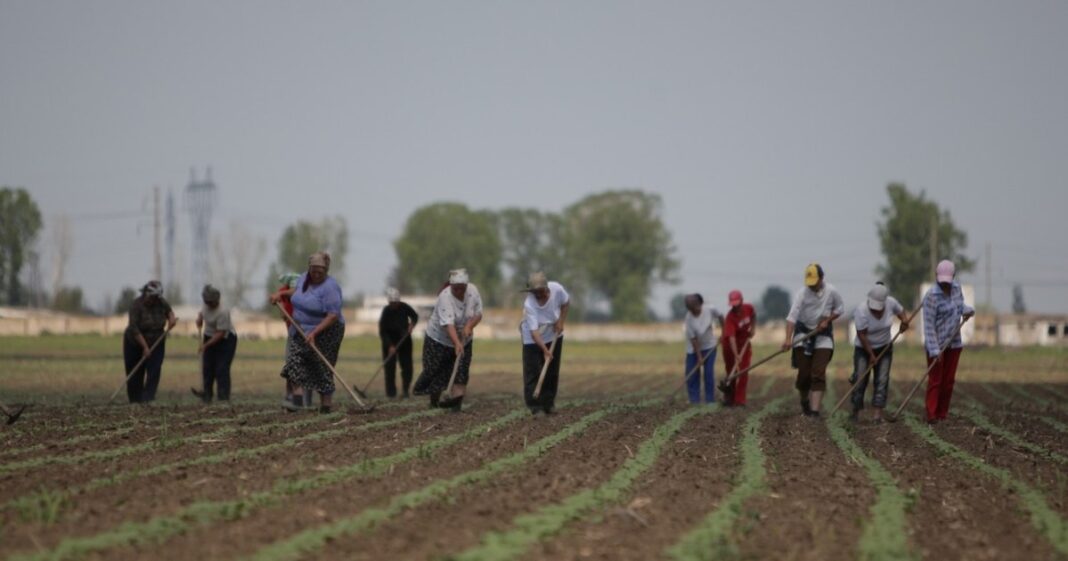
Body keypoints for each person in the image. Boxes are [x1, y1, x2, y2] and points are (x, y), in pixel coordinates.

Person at [269, 252, 345, 413]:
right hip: (301, 327)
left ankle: (326, 406)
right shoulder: (304, 278)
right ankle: (297, 400)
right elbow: (297, 293)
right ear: (309, 268)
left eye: (320, 272)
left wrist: (315, 332)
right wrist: (280, 294)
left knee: (321, 365)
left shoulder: (330, 287)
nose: (316, 275)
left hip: (328, 330)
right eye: (313, 271)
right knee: (294, 360)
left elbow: (333, 315)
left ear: (326, 271)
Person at [413, 268, 483, 412]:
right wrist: (456, 343)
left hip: (465, 338)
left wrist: (469, 326)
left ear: (466, 285)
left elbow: (478, 314)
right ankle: (434, 401)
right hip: (439, 339)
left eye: (462, 288)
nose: (459, 291)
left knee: (461, 371)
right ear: (451, 286)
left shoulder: (473, 291)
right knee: (435, 371)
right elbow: (448, 324)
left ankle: (455, 406)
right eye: (455, 288)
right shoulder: (445, 297)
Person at [782, 263, 844, 417]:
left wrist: (827, 320)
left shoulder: (832, 291)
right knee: (804, 375)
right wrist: (788, 339)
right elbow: (792, 317)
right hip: (803, 335)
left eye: (814, 282)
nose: (811, 286)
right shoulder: (802, 294)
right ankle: (804, 400)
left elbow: (840, 309)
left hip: (823, 336)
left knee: (818, 373)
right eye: (809, 283)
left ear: (821, 278)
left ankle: (814, 411)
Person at [922, 260, 975, 424]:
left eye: (948, 280)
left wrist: (968, 311)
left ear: (953, 276)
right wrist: (935, 350)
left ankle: (942, 414)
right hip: (936, 344)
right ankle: (931, 414)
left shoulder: (957, 289)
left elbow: (959, 307)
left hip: (954, 343)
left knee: (948, 382)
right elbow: (929, 327)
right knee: (936, 381)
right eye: (942, 280)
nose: (945, 284)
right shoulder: (931, 296)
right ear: (936, 276)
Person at [849, 283, 910, 423]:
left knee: (882, 380)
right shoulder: (861, 310)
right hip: (863, 349)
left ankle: (877, 415)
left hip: (884, 347)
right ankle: (856, 412)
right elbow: (861, 335)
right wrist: (871, 354)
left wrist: (904, 322)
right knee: (860, 379)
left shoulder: (891, 303)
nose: (875, 310)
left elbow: (901, 312)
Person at [520, 272, 570, 415]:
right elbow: (534, 332)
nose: (538, 295)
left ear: (546, 288)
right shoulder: (529, 304)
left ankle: (548, 403)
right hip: (532, 337)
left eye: (540, 291)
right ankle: (535, 406)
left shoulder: (557, 289)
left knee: (552, 370)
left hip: (553, 333)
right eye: (535, 292)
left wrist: (561, 321)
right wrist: (545, 350)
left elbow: (566, 303)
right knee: (533, 370)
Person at [122, 280, 177, 403]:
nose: (154, 300)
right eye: (153, 297)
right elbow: (134, 329)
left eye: (156, 297)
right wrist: (145, 347)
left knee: (154, 369)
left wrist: (171, 319)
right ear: (146, 294)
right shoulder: (136, 306)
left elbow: (169, 312)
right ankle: (135, 400)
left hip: (157, 341)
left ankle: (148, 398)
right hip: (135, 343)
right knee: (135, 372)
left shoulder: (161, 302)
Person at [191, 285, 238, 403]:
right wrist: (199, 319)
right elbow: (201, 314)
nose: (209, 304)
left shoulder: (223, 312)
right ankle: (207, 394)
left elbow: (220, 333)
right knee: (207, 367)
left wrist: (205, 345)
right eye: (207, 302)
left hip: (226, 340)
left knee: (221, 368)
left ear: (216, 300)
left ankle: (223, 396)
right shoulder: (205, 306)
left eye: (211, 302)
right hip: (209, 335)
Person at [378, 287, 419, 398]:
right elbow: (382, 331)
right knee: (389, 368)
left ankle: (405, 390)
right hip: (389, 341)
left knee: (407, 367)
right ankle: (391, 393)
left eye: (396, 303)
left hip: (404, 340)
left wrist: (412, 325)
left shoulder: (405, 307)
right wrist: (389, 346)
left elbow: (415, 316)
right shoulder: (386, 311)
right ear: (389, 302)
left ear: (399, 301)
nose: (394, 305)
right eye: (392, 303)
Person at [683, 293, 721, 405]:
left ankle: (710, 400)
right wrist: (699, 357)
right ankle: (694, 400)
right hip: (693, 349)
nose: (692, 310)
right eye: (689, 308)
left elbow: (721, 316)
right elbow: (693, 339)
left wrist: (724, 333)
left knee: (708, 373)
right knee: (692, 374)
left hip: (709, 346)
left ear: (700, 304)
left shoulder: (710, 309)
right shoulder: (688, 318)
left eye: (693, 306)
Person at [721, 290, 756, 407]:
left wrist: (753, 329)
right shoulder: (730, 318)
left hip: (744, 344)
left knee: (743, 372)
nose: (735, 307)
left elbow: (754, 315)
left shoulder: (748, 308)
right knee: (732, 372)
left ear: (741, 301)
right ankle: (729, 397)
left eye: (737, 304)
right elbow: (731, 338)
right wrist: (736, 355)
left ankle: (740, 400)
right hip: (730, 347)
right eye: (733, 305)